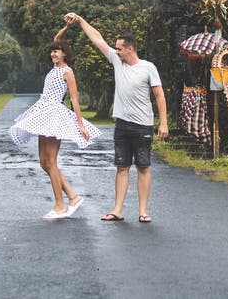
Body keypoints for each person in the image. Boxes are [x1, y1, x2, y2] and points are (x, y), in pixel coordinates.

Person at [64, 13, 168, 223]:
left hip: (143, 125)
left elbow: (159, 95)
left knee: (143, 166)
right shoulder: (117, 62)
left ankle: (143, 211)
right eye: (116, 48)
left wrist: (163, 122)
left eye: (119, 48)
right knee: (122, 166)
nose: (116, 50)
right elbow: (97, 39)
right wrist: (81, 21)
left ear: (130, 48)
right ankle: (118, 209)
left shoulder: (148, 67)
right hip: (122, 124)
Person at [9, 21, 101, 219]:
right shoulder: (54, 68)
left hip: (54, 115)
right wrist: (67, 27)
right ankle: (73, 197)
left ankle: (60, 206)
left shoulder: (67, 72)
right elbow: (57, 39)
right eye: (52, 52)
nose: (53, 54)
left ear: (65, 54)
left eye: (57, 52)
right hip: (42, 112)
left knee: (51, 161)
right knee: (44, 163)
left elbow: (74, 99)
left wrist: (80, 123)